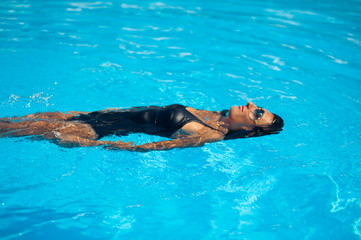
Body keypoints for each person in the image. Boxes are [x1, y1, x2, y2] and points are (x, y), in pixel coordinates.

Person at [0, 102, 283, 151]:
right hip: (98, 116)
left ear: (249, 130)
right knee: (12, 122)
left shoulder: (210, 134)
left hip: (97, 131)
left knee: (10, 129)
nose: (250, 104)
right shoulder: (215, 115)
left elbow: (158, 147)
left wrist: (99, 145)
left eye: (258, 113)